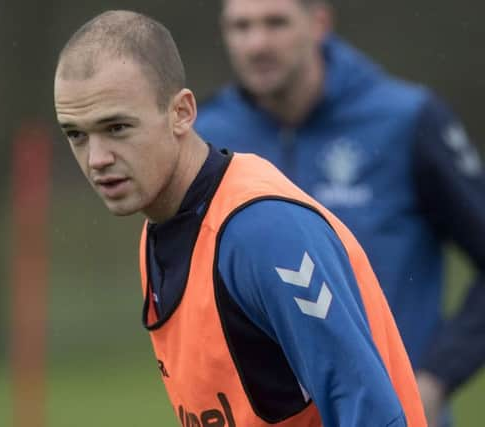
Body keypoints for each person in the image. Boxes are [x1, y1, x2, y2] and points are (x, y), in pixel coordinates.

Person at [54, 10, 427, 426]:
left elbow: (370, 412)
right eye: (76, 134)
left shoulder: (262, 230)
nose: (97, 159)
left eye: (118, 127)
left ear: (181, 112)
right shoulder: (158, 233)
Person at [194, 1, 485, 426]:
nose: (256, 44)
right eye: (241, 27)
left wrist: (436, 377)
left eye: (275, 23)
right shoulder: (207, 136)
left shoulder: (405, 121)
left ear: (319, 23)